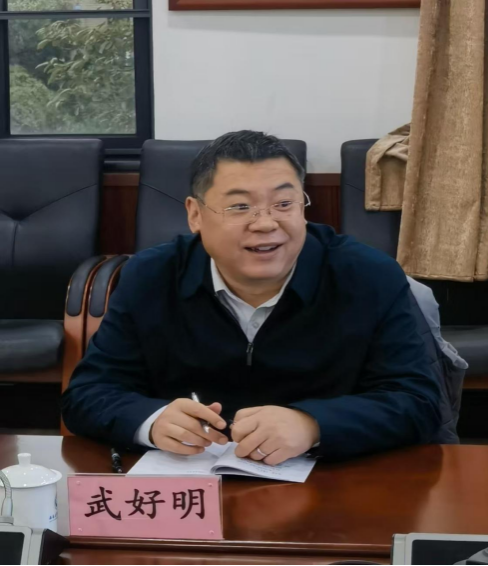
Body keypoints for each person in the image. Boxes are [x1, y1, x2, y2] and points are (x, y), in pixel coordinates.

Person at [62, 130, 441, 465]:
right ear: (195, 215)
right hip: (190, 485)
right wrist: (151, 420)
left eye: (284, 204)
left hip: (334, 483)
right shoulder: (151, 276)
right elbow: (87, 394)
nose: (265, 223)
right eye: (239, 206)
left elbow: (418, 403)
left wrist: (313, 425)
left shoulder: (367, 275)